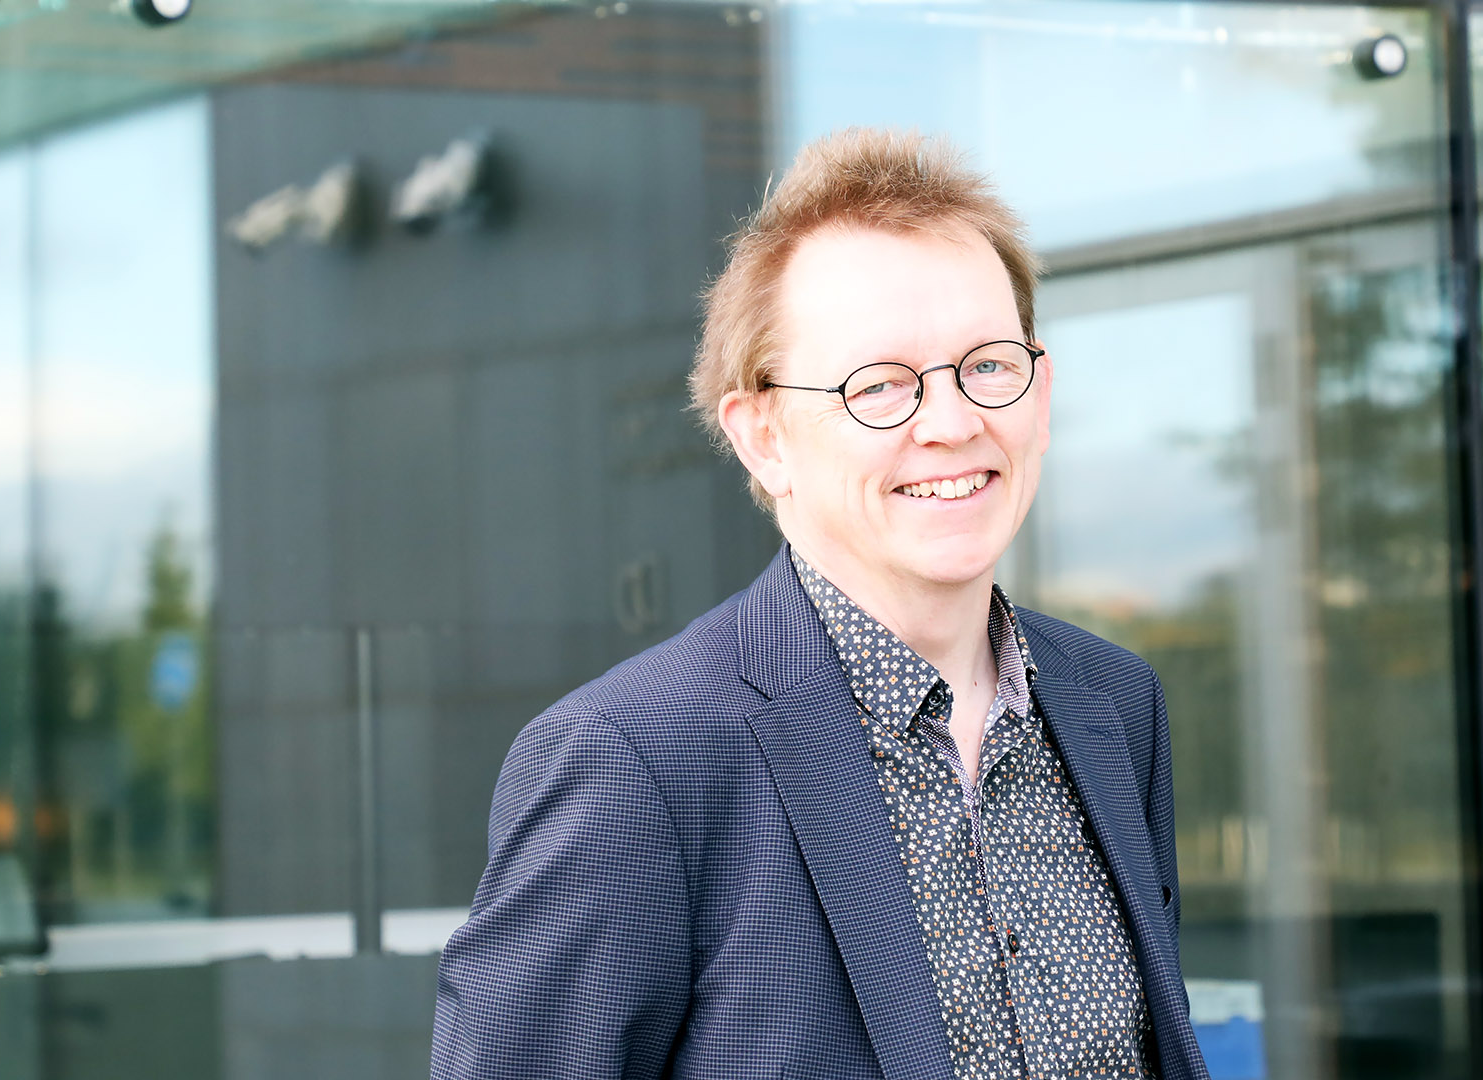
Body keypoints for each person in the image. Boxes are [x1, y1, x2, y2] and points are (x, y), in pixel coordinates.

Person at [431, 128, 1209, 1080]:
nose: (954, 423)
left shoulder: (1113, 706)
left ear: (1040, 395)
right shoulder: (632, 761)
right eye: (878, 386)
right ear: (763, 437)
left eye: (990, 366)